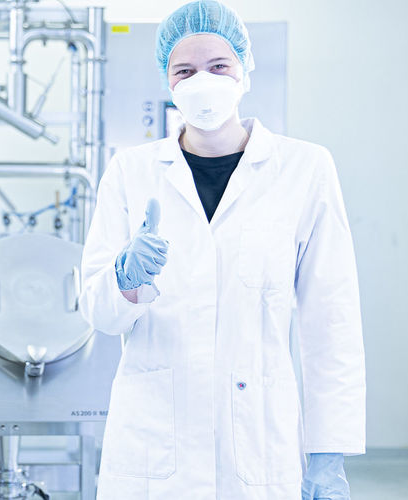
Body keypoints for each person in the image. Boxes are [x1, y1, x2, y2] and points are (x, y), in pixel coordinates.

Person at [79, 1, 365, 498]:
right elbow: (99, 315)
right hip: (153, 447)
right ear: (167, 81)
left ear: (244, 71)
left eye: (218, 66)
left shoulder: (305, 169)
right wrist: (124, 281)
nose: (201, 81)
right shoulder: (130, 171)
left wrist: (327, 453)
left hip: (257, 444)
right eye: (184, 70)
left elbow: (331, 320)